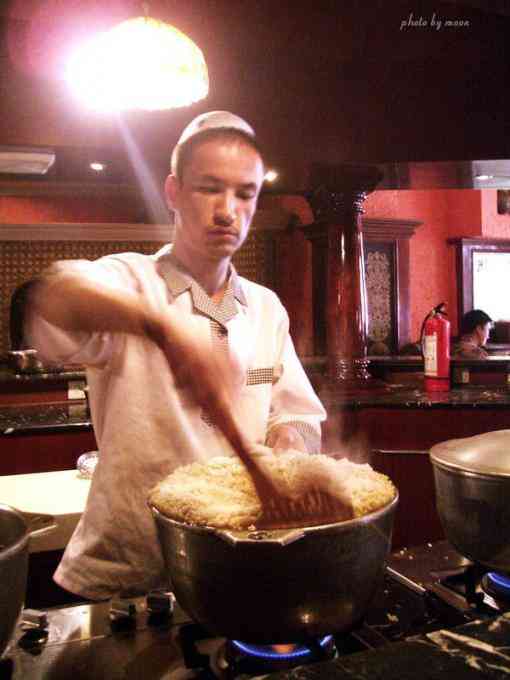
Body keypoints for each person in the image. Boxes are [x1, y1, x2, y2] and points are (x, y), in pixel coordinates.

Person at [24, 111, 326, 600]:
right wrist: (161, 327)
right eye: (210, 188)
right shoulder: (131, 280)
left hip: (233, 567)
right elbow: (56, 297)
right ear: (173, 192)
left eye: (245, 193)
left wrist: (287, 447)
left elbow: (295, 413)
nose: (228, 210)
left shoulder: (266, 308)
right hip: (127, 576)